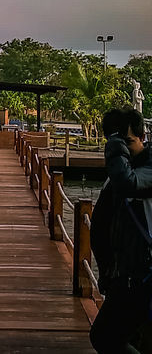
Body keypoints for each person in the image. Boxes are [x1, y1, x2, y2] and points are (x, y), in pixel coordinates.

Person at [91, 107, 152, 353]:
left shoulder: (145, 168)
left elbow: (130, 185)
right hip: (124, 275)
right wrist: (106, 272)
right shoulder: (119, 173)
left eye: (128, 142)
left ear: (143, 138)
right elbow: (101, 227)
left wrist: (114, 148)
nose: (123, 149)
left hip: (143, 276)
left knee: (105, 336)